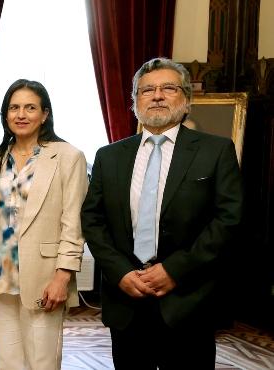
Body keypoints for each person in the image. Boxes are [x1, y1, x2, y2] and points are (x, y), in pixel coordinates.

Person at [81, 57, 243, 369]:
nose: (157, 95)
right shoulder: (108, 156)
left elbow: (228, 219)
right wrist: (121, 272)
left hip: (188, 300)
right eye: (146, 90)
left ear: (187, 99)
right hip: (126, 299)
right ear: (134, 102)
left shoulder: (216, 150)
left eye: (168, 88)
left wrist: (174, 270)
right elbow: (93, 219)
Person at [0, 79, 88, 370]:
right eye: (14, 107)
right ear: (5, 115)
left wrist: (62, 277)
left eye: (30, 107)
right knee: (8, 361)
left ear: (45, 114)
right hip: (1, 273)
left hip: (45, 275)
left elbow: (73, 222)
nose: (21, 114)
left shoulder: (68, 156)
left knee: (42, 362)